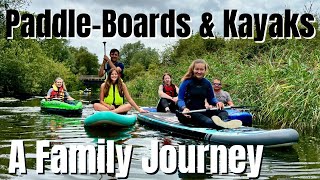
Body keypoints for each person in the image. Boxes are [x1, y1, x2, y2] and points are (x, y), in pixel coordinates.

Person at [176, 59, 242, 129]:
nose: (199, 72)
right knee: (209, 122)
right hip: (189, 112)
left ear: (205, 70)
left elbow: (211, 99)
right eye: (197, 69)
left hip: (202, 110)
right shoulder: (186, 82)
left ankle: (225, 122)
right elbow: (180, 99)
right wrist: (184, 108)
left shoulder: (207, 83)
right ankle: (218, 124)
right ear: (193, 69)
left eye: (201, 69)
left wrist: (217, 103)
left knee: (223, 112)